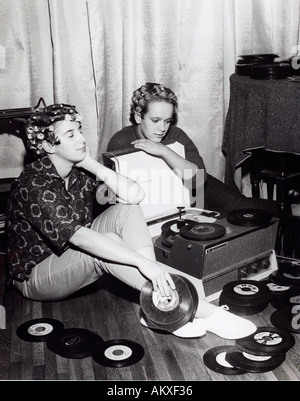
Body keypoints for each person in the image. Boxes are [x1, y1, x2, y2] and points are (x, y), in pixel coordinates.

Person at [6, 103, 256, 340]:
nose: (82, 139)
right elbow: (80, 238)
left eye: (79, 131)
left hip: (69, 250)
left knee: (126, 208)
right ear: (50, 146)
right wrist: (142, 263)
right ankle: (206, 313)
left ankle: (157, 305)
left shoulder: (77, 171)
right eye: (70, 135)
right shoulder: (35, 183)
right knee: (105, 248)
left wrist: (91, 164)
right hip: (34, 274)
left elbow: (134, 195)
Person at [107, 82, 277, 217]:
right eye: (155, 120)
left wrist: (164, 151)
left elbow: (197, 181)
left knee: (245, 208)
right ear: (138, 117)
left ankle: (289, 211)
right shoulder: (121, 141)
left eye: (167, 121)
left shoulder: (176, 135)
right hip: (157, 200)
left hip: (195, 188)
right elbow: (113, 198)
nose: (162, 128)